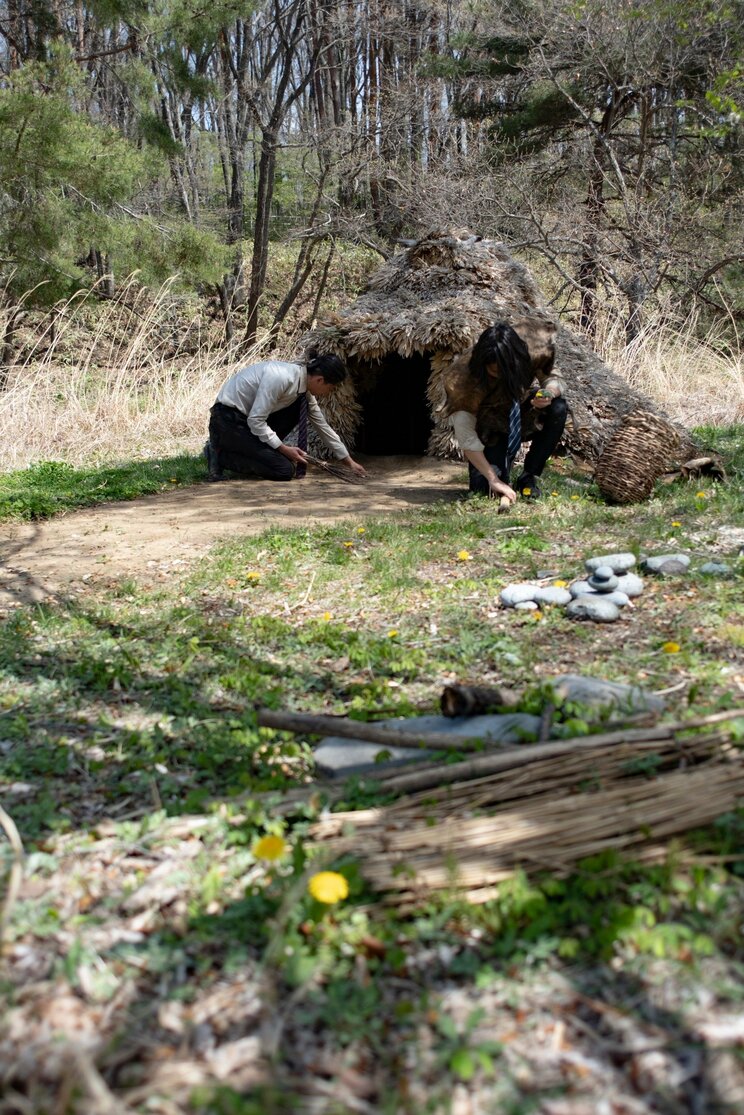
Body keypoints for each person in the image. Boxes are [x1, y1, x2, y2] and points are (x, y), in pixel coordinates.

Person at [442, 321, 567, 504]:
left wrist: (548, 393)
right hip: (489, 426)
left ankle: (529, 475)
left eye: (507, 370)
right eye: (494, 371)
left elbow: (553, 377)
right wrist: (493, 479)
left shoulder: (534, 347)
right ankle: (496, 470)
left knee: (558, 407)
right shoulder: (461, 382)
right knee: (484, 489)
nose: (502, 376)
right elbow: (467, 437)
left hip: (522, 412)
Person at [205, 351, 366, 482]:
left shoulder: (303, 393)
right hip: (228, 421)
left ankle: (247, 452)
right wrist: (283, 449)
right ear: (320, 380)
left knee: (297, 409)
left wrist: (349, 462)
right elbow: (256, 420)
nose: (328, 393)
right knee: (284, 470)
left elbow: (323, 427)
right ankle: (218, 454)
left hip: (247, 424)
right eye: (330, 388)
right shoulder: (280, 377)